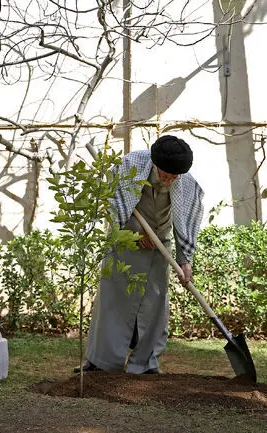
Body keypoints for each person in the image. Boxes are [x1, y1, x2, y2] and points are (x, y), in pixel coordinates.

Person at [75, 135, 204, 374]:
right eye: (165, 175)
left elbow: (185, 221)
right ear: (155, 165)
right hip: (124, 243)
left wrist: (185, 261)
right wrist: (133, 236)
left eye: (174, 177)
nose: (169, 180)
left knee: (155, 307)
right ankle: (101, 362)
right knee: (113, 303)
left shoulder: (184, 182)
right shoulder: (130, 167)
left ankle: (145, 365)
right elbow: (112, 205)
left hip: (158, 248)